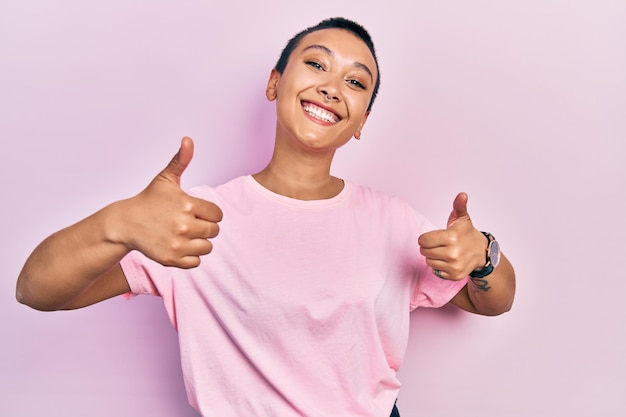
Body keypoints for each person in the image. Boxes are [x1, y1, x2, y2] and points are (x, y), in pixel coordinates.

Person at [16, 17, 515, 417]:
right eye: (316, 64)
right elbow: (36, 290)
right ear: (275, 82)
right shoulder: (196, 220)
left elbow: (491, 302)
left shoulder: (391, 222)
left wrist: (484, 256)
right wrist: (117, 221)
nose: (332, 87)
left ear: (362, 120)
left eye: (355, 82)